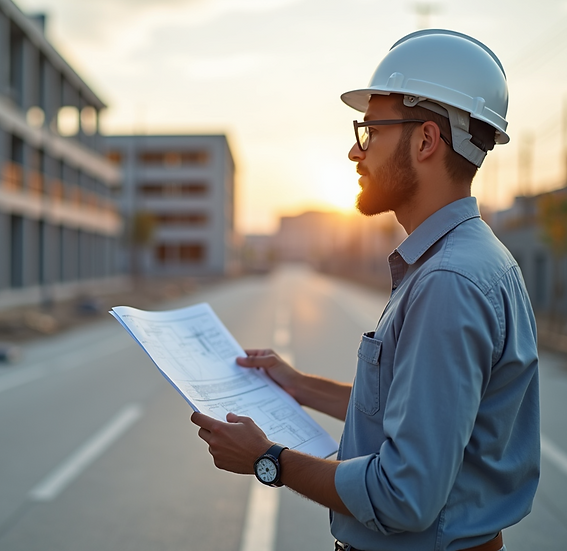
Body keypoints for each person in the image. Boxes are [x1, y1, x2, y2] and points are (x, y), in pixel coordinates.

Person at [190, 29, 540, 551]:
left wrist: (269, 461)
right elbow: (418, 411)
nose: (356, 152)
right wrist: (296, 384)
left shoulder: (448, 282)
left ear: (425, 140)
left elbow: (404, 496)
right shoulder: (468, 259)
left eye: (371, 131)